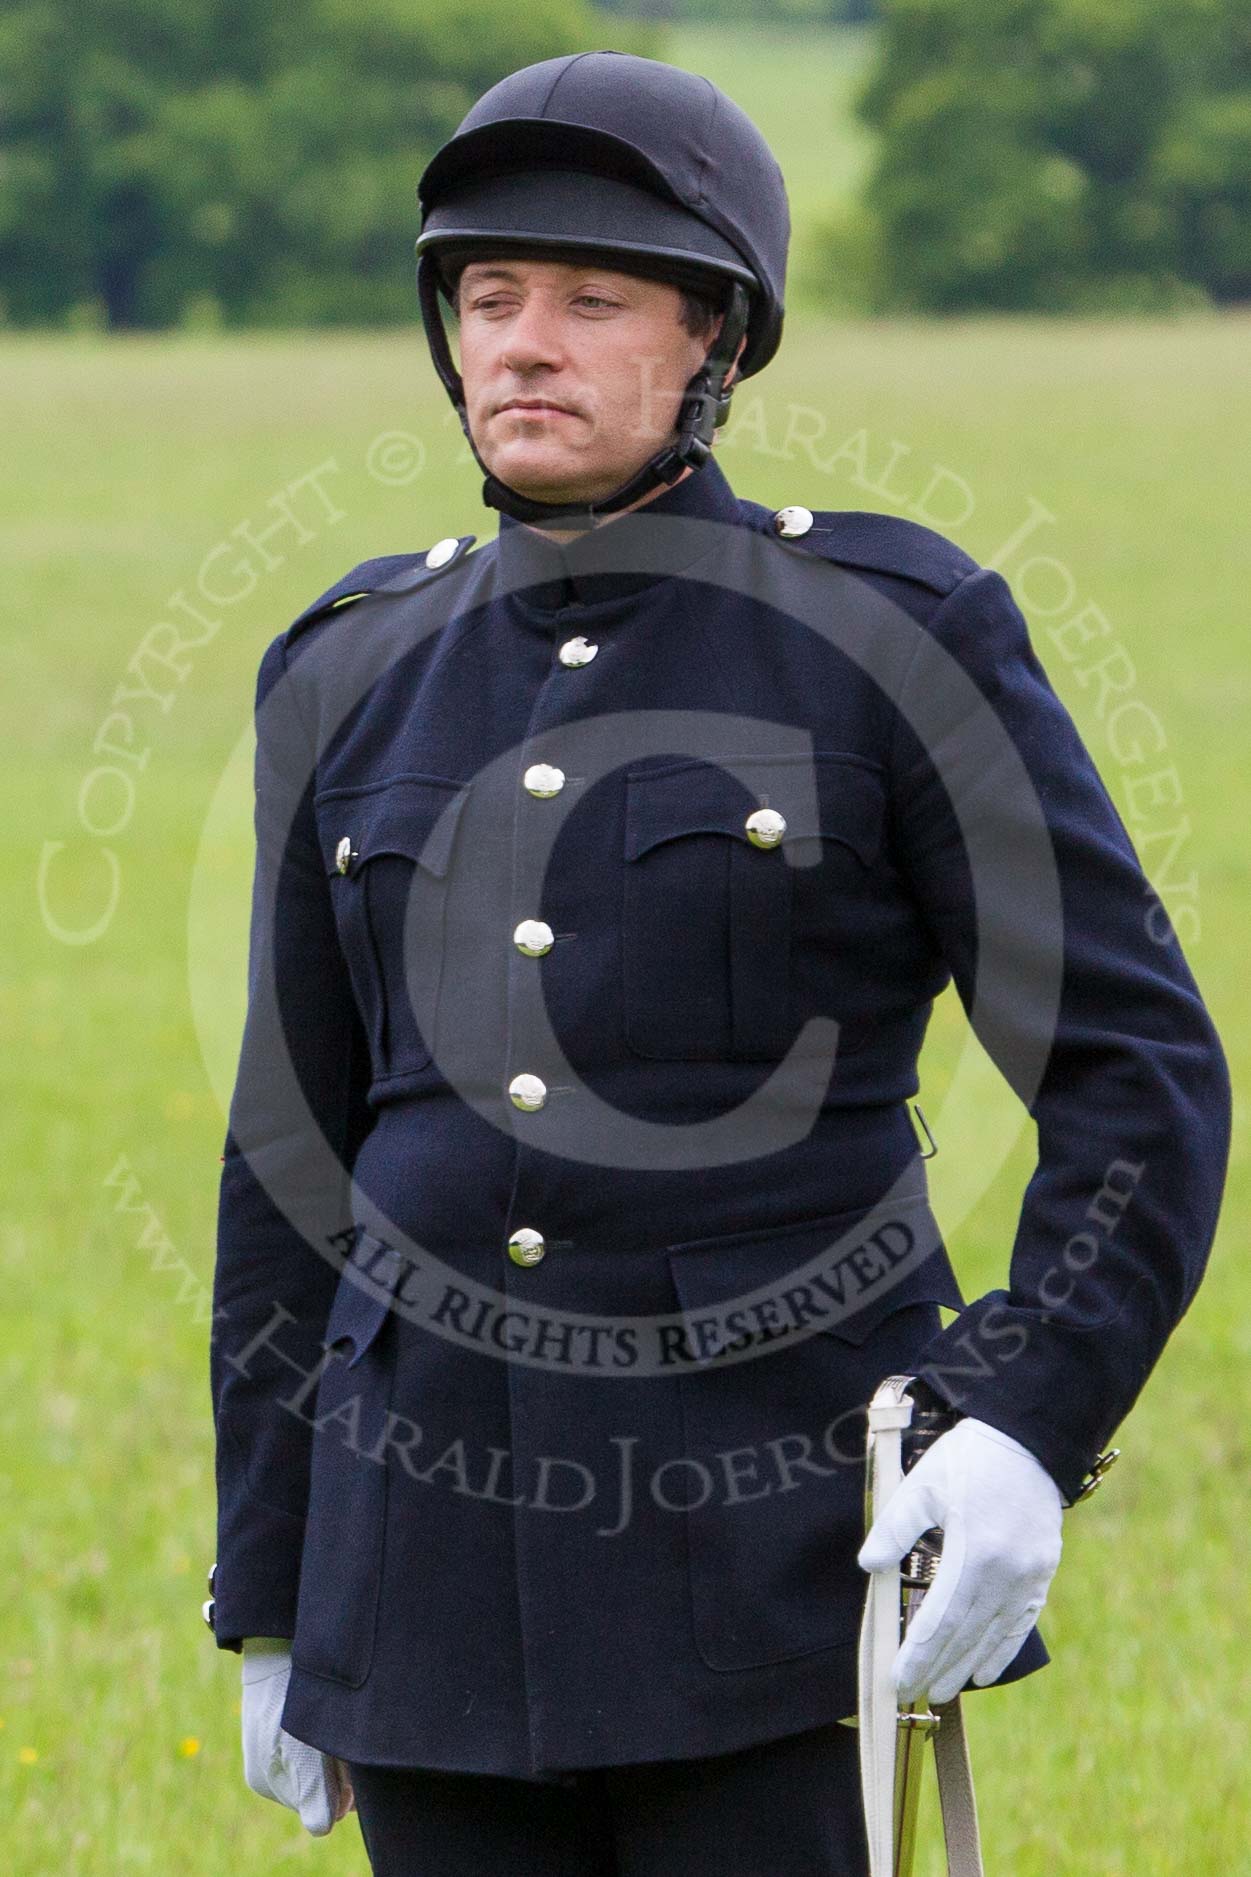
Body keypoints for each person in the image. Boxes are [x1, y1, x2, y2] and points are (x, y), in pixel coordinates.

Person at [203, 50, 1231, 1875]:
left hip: (774, 1579)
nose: (523, 341)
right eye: (489, 296)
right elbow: (289, 1169)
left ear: (717, 349)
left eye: (593, 300)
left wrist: (1022, 1419)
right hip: (421, 1576)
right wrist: (273, 1582)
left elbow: (1135, 1080)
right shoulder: (346, 664)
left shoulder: (889, 639)